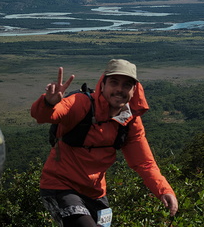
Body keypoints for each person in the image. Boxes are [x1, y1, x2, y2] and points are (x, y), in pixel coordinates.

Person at [31, 59, 178, 227]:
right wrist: (48, 103)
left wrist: (164, 190)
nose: (119, 89)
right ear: (103, 84)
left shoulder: (130, 122)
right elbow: (44, 116)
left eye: (126, 85)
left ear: (134, 90)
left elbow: (144, 162)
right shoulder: (81, 103)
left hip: (96, 193)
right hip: (61, 186)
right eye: (114, 83)